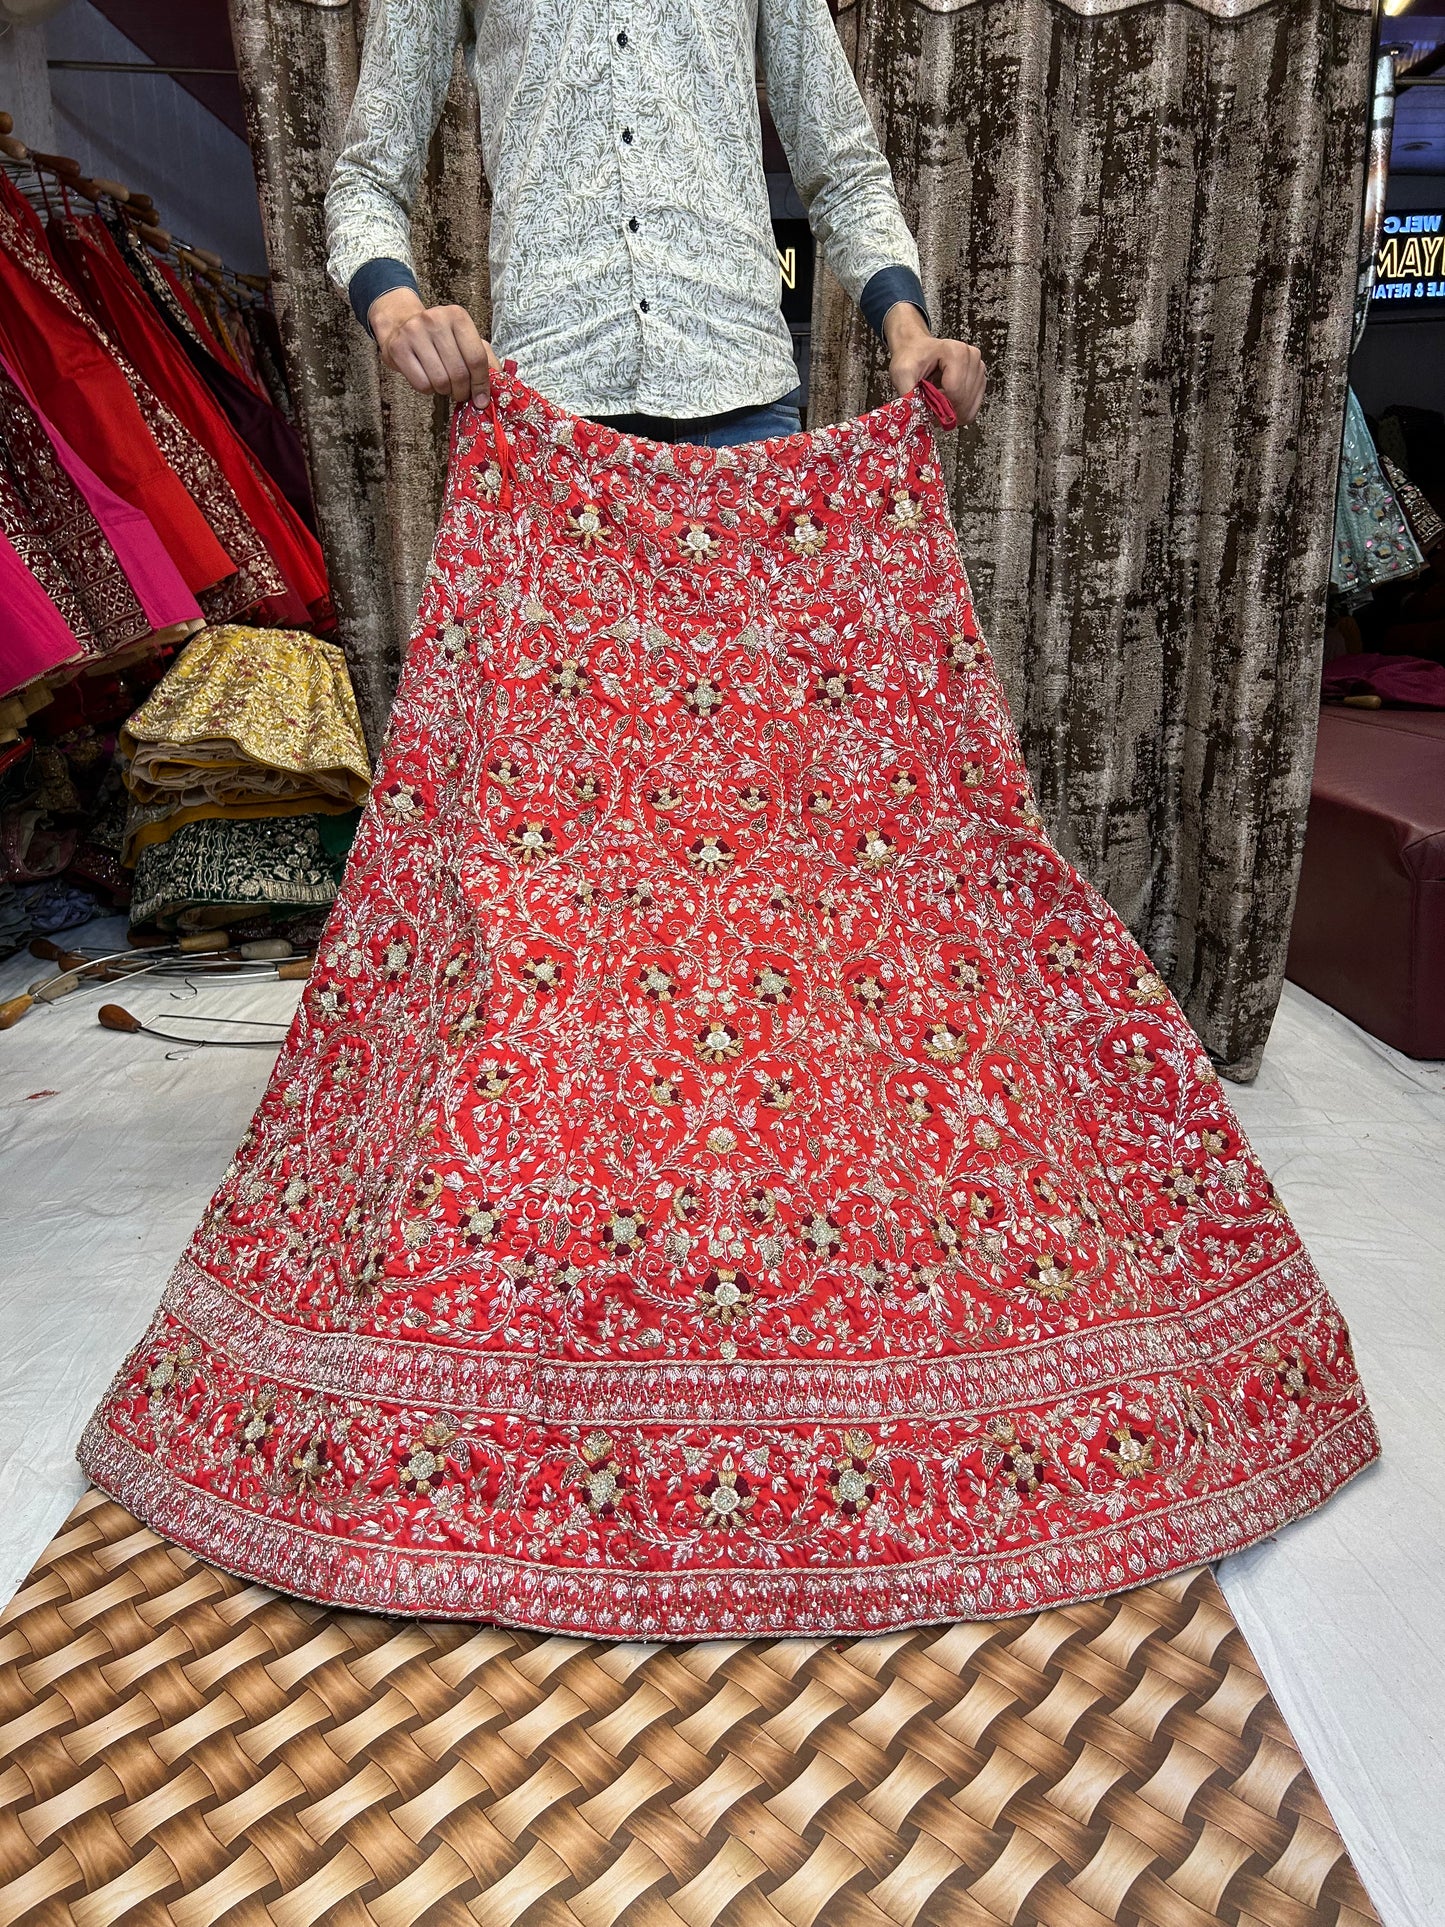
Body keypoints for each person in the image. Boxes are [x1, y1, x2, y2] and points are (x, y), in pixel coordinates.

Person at [323, 0, 985, 443]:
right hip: (548, 417)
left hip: (743, 405)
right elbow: (367, 176)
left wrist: (906, 325)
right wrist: (396, 311)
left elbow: (841, 166)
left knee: (754, 660)